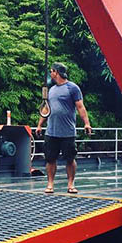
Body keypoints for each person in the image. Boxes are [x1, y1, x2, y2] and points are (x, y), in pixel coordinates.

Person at [35, 62, 92, 194]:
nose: (50, 74)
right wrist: (39, 125)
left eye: (51, 71)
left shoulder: (72, 88)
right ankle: (50, 185)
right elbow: (45, 108)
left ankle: (71, 184)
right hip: (51, 131)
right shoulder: (52, 90)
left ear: (56, 72)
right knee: (50, 159)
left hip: (67, 132)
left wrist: (86, 123)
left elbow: (80, 107)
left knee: (70, 159)